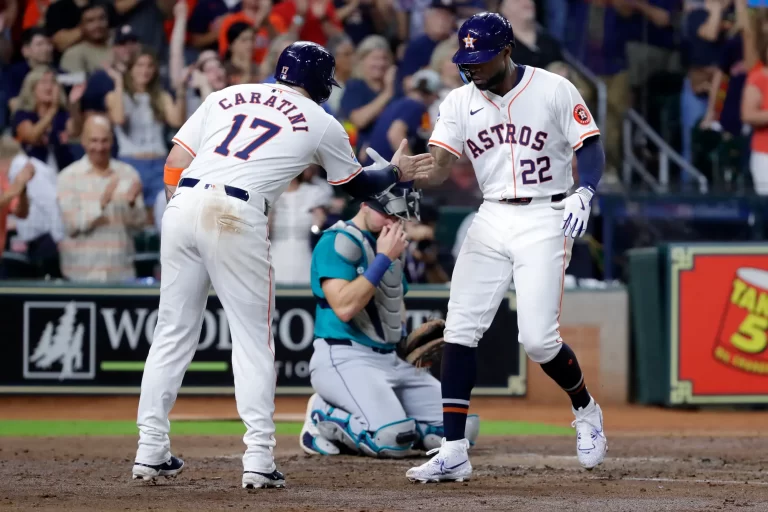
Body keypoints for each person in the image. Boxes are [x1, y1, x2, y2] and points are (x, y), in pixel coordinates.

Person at [132, 41, 433, 488]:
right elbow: (356, 186)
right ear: (319, 83)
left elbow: (175, 162)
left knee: (172, 333)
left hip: (184, 202)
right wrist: (395, 172)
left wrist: (188, 210)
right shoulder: (321, 120)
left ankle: (150, 451)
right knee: (253, 341)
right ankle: (258, 458)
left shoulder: (225, 95)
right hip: (237, 212)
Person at [405, 13, 607, 483]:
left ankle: (586, 409)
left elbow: (590, 145)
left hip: (546, 213)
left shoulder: (553, 88)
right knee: (459, 329)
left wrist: (586, 191)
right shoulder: (458, 101)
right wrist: (405, 171)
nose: (471, 67)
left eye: (480, 58)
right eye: (466, 58)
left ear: (507, 50)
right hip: (493, 213)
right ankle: (453, 449)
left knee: (538, 339)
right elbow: (438, 168)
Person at [299, 182, 479, 458]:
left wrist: (401, 341)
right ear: (364, 206)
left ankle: (404, 426)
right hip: (344, 356)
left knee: (461, 430)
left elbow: (394, 301)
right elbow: (345, 307)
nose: (395, 222)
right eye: (389, 214)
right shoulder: (336, 241)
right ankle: (322, 416)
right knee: (391, 440)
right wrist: (383, 257)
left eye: (399, 216)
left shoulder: (389, 242)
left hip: (389, 359)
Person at [56, 115, 146, 281]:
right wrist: (101, 203)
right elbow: (72, 225)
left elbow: (140, 224)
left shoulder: (128, 174)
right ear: (83, 141)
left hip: (121, 272)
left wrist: (132, 204)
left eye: (104, 140)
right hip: (81, 276)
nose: (99, 147)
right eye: (94, 140)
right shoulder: (67, 177)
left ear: (112, 141)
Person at [105, 48, 186, 209]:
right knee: (135, 213)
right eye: (140, 65)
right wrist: (119, 83)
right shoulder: (115, 95)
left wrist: (181, 89)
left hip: (158, 163)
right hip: (130, 163)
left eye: (150, 66)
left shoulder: (161, 96)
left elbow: (177, 121)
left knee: (163, 212)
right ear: (131, 69)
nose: (145, 70)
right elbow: (118, 119)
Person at [12, 67, 84, 172]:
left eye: (53, 82)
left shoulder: (62, 114)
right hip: (32, 172)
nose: (49, 87)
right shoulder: (22, 114)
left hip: (62, 169)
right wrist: (53, 109)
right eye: (44, 82)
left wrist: (74, 105)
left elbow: (75, 131)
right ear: (32, 87)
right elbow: (32, 136)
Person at [338, 35, 396, 160]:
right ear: (362, 60)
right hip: (361, 155)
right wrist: (387, 94)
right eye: (375, 58)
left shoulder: (395, 87)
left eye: (384, 59)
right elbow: (359, 120)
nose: (380, 63)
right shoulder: (355, 87)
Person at [269, 167, 330, 285]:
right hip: (275, 255)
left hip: (305, 254)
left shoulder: (314, 193)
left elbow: (319, 226)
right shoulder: (269, 195)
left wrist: (318, 221)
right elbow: (265, 231)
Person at [59, 1, 111, 75]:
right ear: (81, 26)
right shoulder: (73, 54)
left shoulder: (118, 46)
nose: (97, 25)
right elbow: (76, 85)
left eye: (101, 18)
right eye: (90, 21)